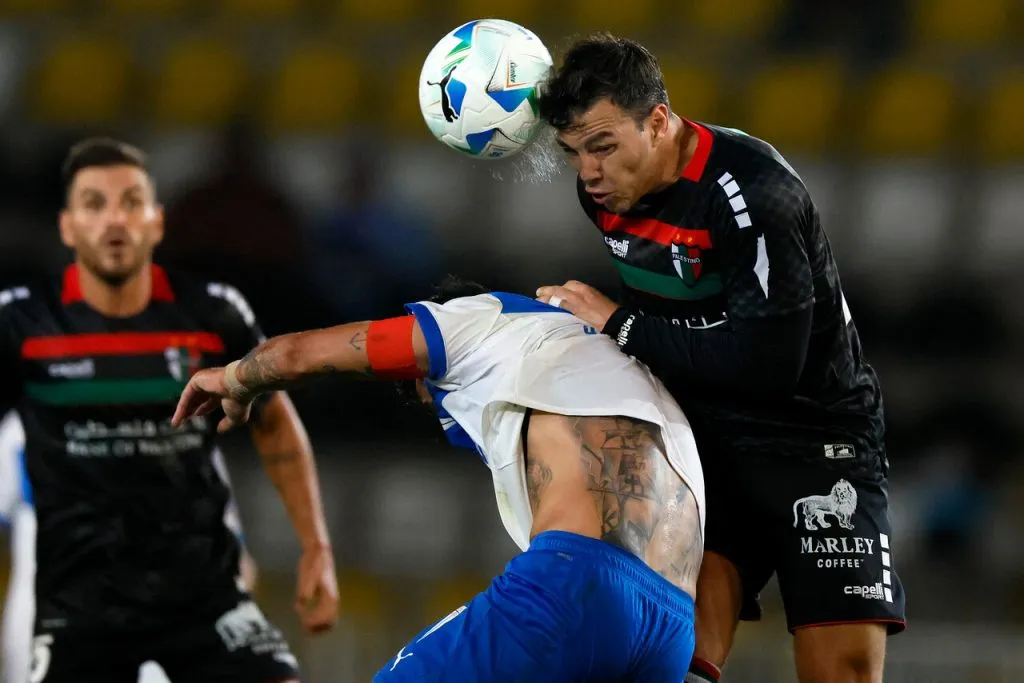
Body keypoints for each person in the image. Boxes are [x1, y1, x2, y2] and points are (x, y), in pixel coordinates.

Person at [535, 34, 905, 683]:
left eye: (602, 146)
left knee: (841, 675)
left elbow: (768, 368)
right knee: (676, 666)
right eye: (572, 153)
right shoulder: (604, 197)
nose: (589, 172)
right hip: (710, 448)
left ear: (657, 120)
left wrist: (621, 325)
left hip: (815, 445)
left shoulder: (756, 195)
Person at [171, 277, 705, 683]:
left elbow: (296, 356)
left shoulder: (473, 321)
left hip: (581, 586)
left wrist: (235, 380)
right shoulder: (626, 360)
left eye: (429, 396)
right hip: (673, 628)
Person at [0, 137, 339, 683]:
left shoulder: (212, 313)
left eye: (131, 202)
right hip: (81, 603)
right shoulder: (21, 323)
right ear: (67, 226)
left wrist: (316, 547)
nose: (115, 220)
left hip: (202, 594)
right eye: (94, 203)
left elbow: (275, 424)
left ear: (157, 221)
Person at [0, 411, 259, 683]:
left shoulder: (185, 425)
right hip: (52, 625)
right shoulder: (27, 425)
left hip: (155, 624)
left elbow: (238, 562)